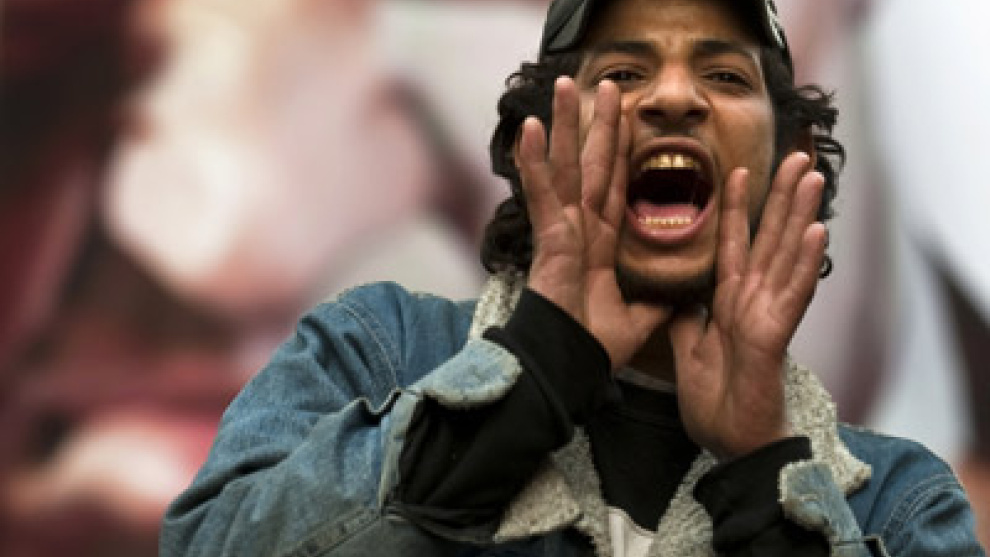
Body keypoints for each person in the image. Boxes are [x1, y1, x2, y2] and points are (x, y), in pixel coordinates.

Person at [160, 0, 985, 555]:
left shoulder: (902, 503)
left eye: (725, 76)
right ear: (542, 143)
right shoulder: (374, 350)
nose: (672, 96)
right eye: (621, 73)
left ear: (790, 159)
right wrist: (535, 372)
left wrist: (766, 478)